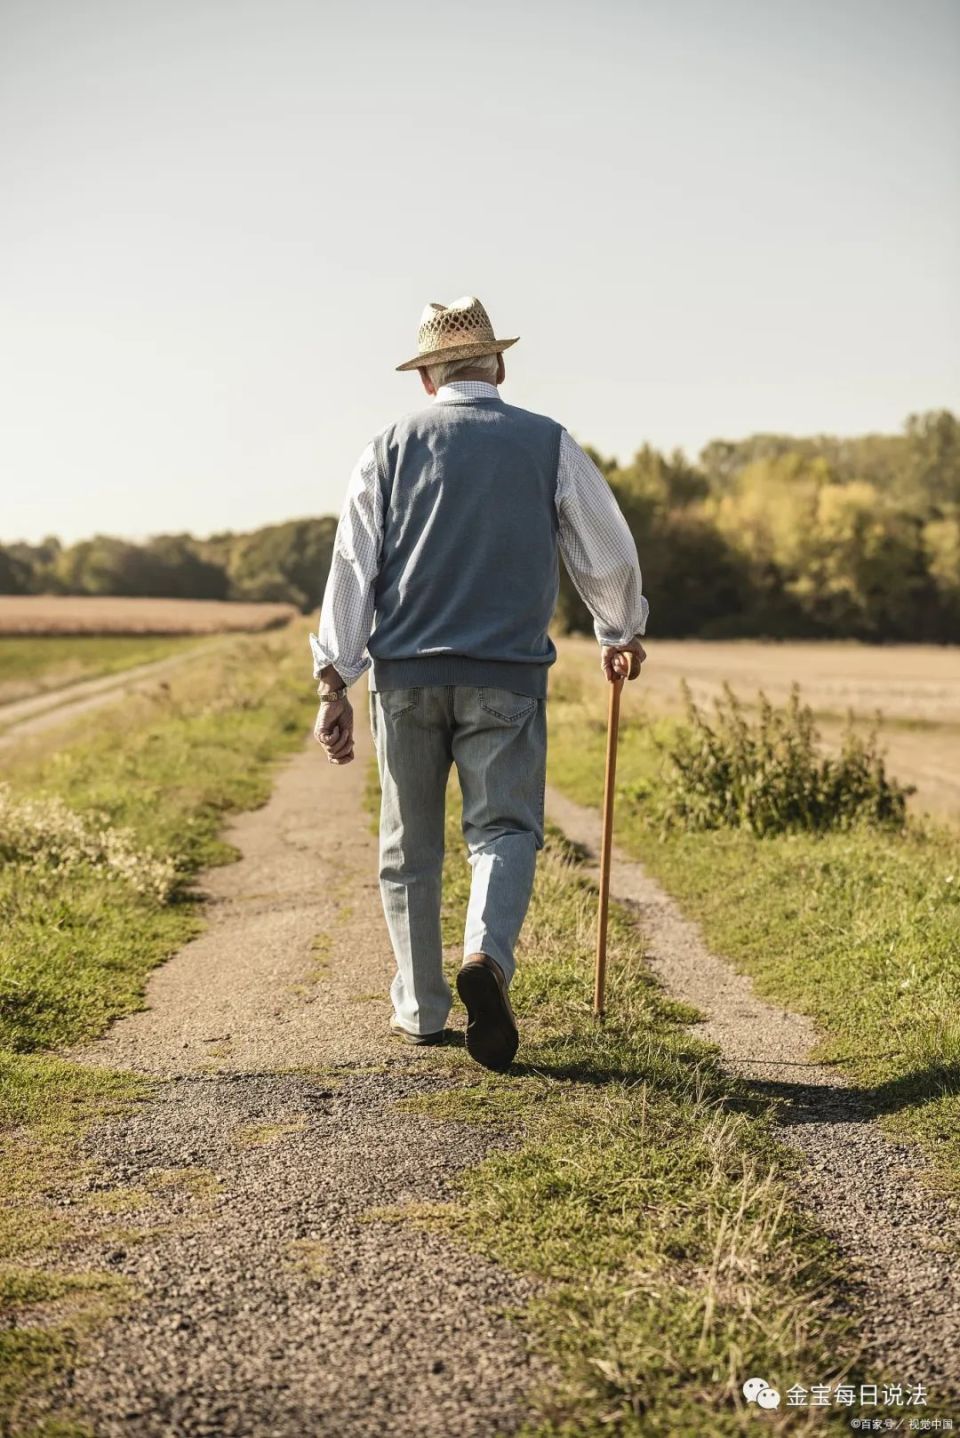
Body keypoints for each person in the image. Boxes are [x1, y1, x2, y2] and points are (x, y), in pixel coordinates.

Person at [310, 296, 647, 1073]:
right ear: (498, 364)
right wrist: (620, 630)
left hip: (406, 678)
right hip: (508, 677)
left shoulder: (387, 448)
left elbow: (352, 570)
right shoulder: (547, 443)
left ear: (428, 378)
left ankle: (422, 1011)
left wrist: (334, 678)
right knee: (502, 830)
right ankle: (486, 960)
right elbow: (607, 551)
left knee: (409, 845)